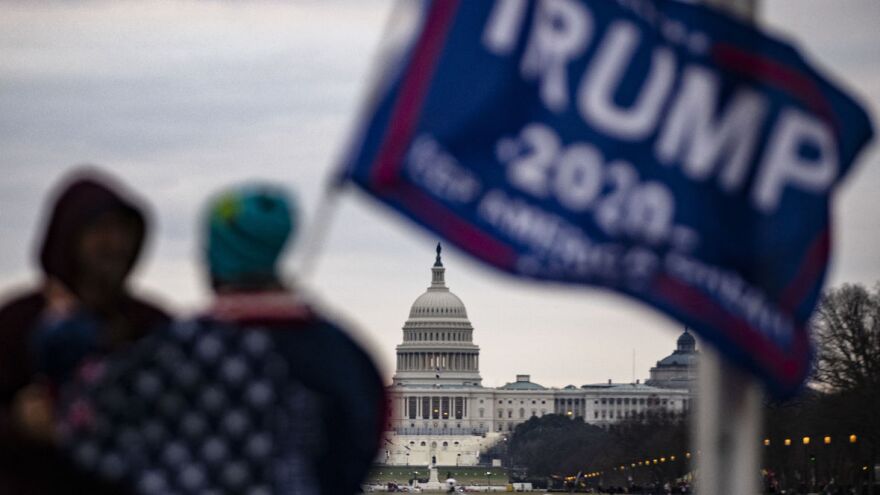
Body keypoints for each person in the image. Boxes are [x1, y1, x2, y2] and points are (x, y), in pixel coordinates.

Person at [59, 183, 387, 494]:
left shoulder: (177, 349)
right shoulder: (343, 352)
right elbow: (367, 435)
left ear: (215, 257)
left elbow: (86, 424)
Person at [0, 168, 171, 493]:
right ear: (68, 237)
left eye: (124, 231)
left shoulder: (151, 324)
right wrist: (17, 423)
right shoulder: (16, 321)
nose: (116, 244)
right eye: (101, 230)